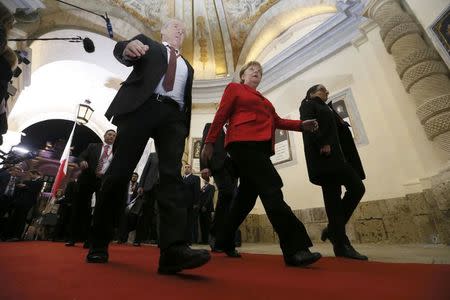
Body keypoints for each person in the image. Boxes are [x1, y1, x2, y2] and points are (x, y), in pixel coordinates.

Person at [86, 18, 210, 275]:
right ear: (163, 30)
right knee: (119, 172)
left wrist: (183, 129)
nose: (181, 30)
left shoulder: (188, 65)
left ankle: (173, 252)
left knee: (171, 180)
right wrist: (127, 47)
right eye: (176, 26)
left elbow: (186, 98)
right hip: (141, 109)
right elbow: (122, 50)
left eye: (183, 29)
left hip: (174, 119)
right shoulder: (148, 45)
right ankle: (98, 242)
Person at [202, 61, 321, 267]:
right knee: (272, 188)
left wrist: (301, 125)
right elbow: (221, 114)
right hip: (242, 144)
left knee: (245, 199)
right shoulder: (235, 89)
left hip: (260, 149)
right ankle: (295, 249)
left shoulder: (265, 101)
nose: (256, 72)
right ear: (243, 76)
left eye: (259, 71)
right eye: (252, 70)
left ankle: (224, 239)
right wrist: (210, 142)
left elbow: (278, 121)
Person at [299, 84, 368, 260]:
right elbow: (309, 125)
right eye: (322, 90)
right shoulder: (308, 104)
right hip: (325, 157)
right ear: (312, 93)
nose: (327, 92)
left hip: (337, 158)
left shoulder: (327, 108)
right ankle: (340, 242)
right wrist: (322, 142)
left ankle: (335, 234)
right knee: (346, 193)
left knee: (347, 193)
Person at [65, 129, 116, 247]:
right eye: (109, 134)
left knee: (99, 211)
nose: (111, 137)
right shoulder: (93, 146)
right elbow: (81, 156)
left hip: (103, 182)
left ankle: (90, 239)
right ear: (104, 136)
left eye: (114, 136)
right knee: (80, 208)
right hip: (87, 179)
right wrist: (82, 161)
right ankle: (72, 237)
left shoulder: (116, 151)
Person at [200, 123, 239, 251]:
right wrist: (204, 166)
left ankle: (227, 241)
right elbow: (204, 146)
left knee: (232, 199)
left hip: (234, 168)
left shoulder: (236, 127)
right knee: (227, 193)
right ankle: (215, 233)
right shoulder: (211, 126)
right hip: (218, 165)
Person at [134, 152, 159, 246]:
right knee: (144, 214)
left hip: (162, 189)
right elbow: (145, 171)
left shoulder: (170, 155)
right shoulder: (153, 155)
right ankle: (138, 239)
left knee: (158, 215)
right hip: (149, 188)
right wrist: (140, 185)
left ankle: (156, 239)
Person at [182, 164, 200, 244]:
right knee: (181, 222)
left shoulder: (195, 178)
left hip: (190, 204)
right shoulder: (181, 178)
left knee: (189, 223)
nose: (186, 168)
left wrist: (196, 203)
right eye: (185, 167)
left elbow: (197, 191)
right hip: (181, 205)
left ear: (191, 169)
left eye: (188, 167)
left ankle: (188, 240)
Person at [198, 169, 215, 245]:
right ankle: (204, 240)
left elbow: (209, 198)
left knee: (207, 225)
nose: (202, 175)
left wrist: (205, 206)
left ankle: (208, 240)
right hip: (201, 208)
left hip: (207, 208)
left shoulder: (211, 187)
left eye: (204, 174)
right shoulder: (203, 187)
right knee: (202, 225)